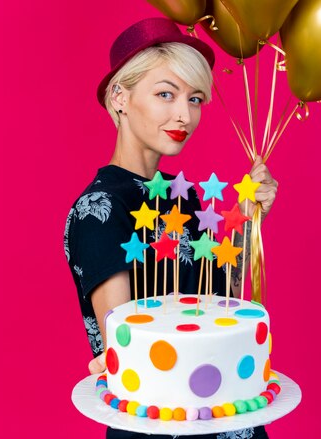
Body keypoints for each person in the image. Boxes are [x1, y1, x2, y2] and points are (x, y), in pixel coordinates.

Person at [64, 17, 278, 439]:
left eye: (195, 98)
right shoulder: (99, 209)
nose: (185, 114)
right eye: (166, 94)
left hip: (228, 416)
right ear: (120, 97)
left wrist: (246, 218)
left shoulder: (184, 200)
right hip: (159, 428)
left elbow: (221, 307)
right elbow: (125, 352)